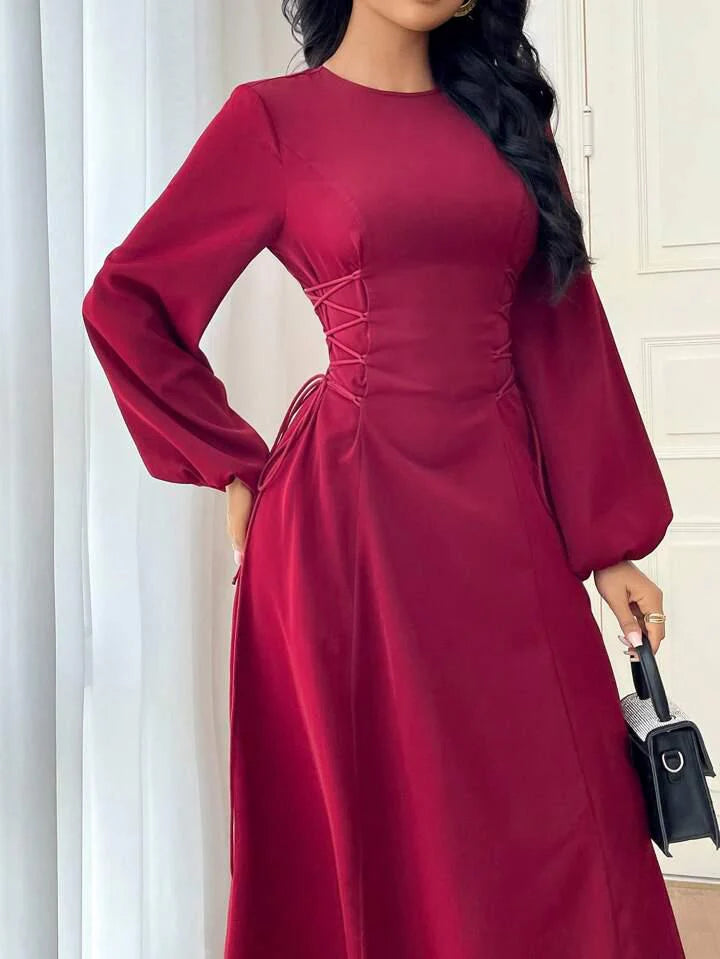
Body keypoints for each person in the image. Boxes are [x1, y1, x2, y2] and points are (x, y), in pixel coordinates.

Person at [82, 1, 686, 956]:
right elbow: (128, 302)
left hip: (503, 515)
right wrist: (229, 463)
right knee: (387, 823)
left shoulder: (507, 122)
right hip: (348, 528)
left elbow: (561, 328)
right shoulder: (269, 120)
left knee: (568, 805)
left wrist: (612, 544)